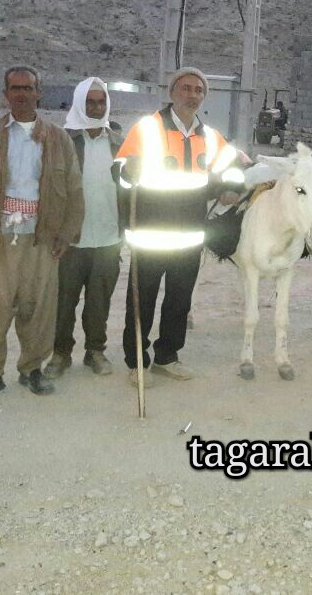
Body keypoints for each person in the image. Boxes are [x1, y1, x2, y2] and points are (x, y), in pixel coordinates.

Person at [0, 66, 84, 403]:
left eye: (28, 88)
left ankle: (32, 369)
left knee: (38, 308)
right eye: (15, 88)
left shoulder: (58, 139)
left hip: (42, 239)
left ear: (39, 93)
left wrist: (66, 234)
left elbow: (74, 189)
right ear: (6, 94)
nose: (22, 94)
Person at [114, 67, 244, 386]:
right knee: (141, 300)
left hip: (189, 237)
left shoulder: (210, 136)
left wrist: (230, 186)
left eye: (198, 90)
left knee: (179, 300)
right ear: (172, 92)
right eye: (185, 88)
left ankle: (167, 356)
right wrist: (129, 171)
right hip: (150, 236)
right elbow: (119, 172)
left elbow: (233, 167)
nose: (192, 95)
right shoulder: (147, 129)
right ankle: (137, 361)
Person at [43, 78, 124, 380]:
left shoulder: (119, 143)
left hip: (108, 237)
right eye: (90, 101)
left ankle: (95, 351)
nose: (96, 107)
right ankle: (60, 353)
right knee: (63, 303)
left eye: (101, 101)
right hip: (70, 241)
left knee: (99, 303)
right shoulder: (61, 142)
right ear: (79, 103)